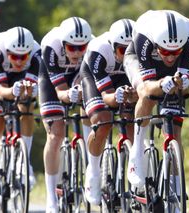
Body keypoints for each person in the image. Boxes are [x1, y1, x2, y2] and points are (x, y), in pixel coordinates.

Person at [123, 10, 189, 190]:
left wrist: (183, 82)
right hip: (140, 61)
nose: (171, 57)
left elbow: (185, 84)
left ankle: (176, 188)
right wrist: (163, 82)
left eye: (176, 52)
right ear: (157, 45)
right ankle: (137, 152)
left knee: (175, 131)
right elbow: (147, 87)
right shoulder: (145, 35)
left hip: (171, 73)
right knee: (147, 95)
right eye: (165, 51)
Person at [0, 26, 41, 210]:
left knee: (27, 106)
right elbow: (1, 91)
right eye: (15, 56)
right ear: (7, 52)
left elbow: (30, 88)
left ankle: (25, 161)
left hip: (18, 79)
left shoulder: (37, 54)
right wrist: (12, 91)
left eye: (24, 56)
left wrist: (31, 91)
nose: (20, 61)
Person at [81, 18, 137, 205]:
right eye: (123, 50)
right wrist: (117, 96)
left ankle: (135, 172)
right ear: (113, 47)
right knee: (103, 121)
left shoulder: (139, 53)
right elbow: (106, 95)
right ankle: (94, 172)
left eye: (132, 49)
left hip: (123, 79)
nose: (128, 54)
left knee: (131, 121)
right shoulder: (99, 51)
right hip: (96, 81)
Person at [38, 16, 92, 212]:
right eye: (72, 48)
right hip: (52, 83)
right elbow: (60, 91)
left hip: (77, 77)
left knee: (92, 108)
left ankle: (89, 160)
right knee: (56, 134)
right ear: (63, 44)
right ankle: (51, 197)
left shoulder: (92, 46)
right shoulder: (51, 47)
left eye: (82, 47)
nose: (77, 53)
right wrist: (69, 94)